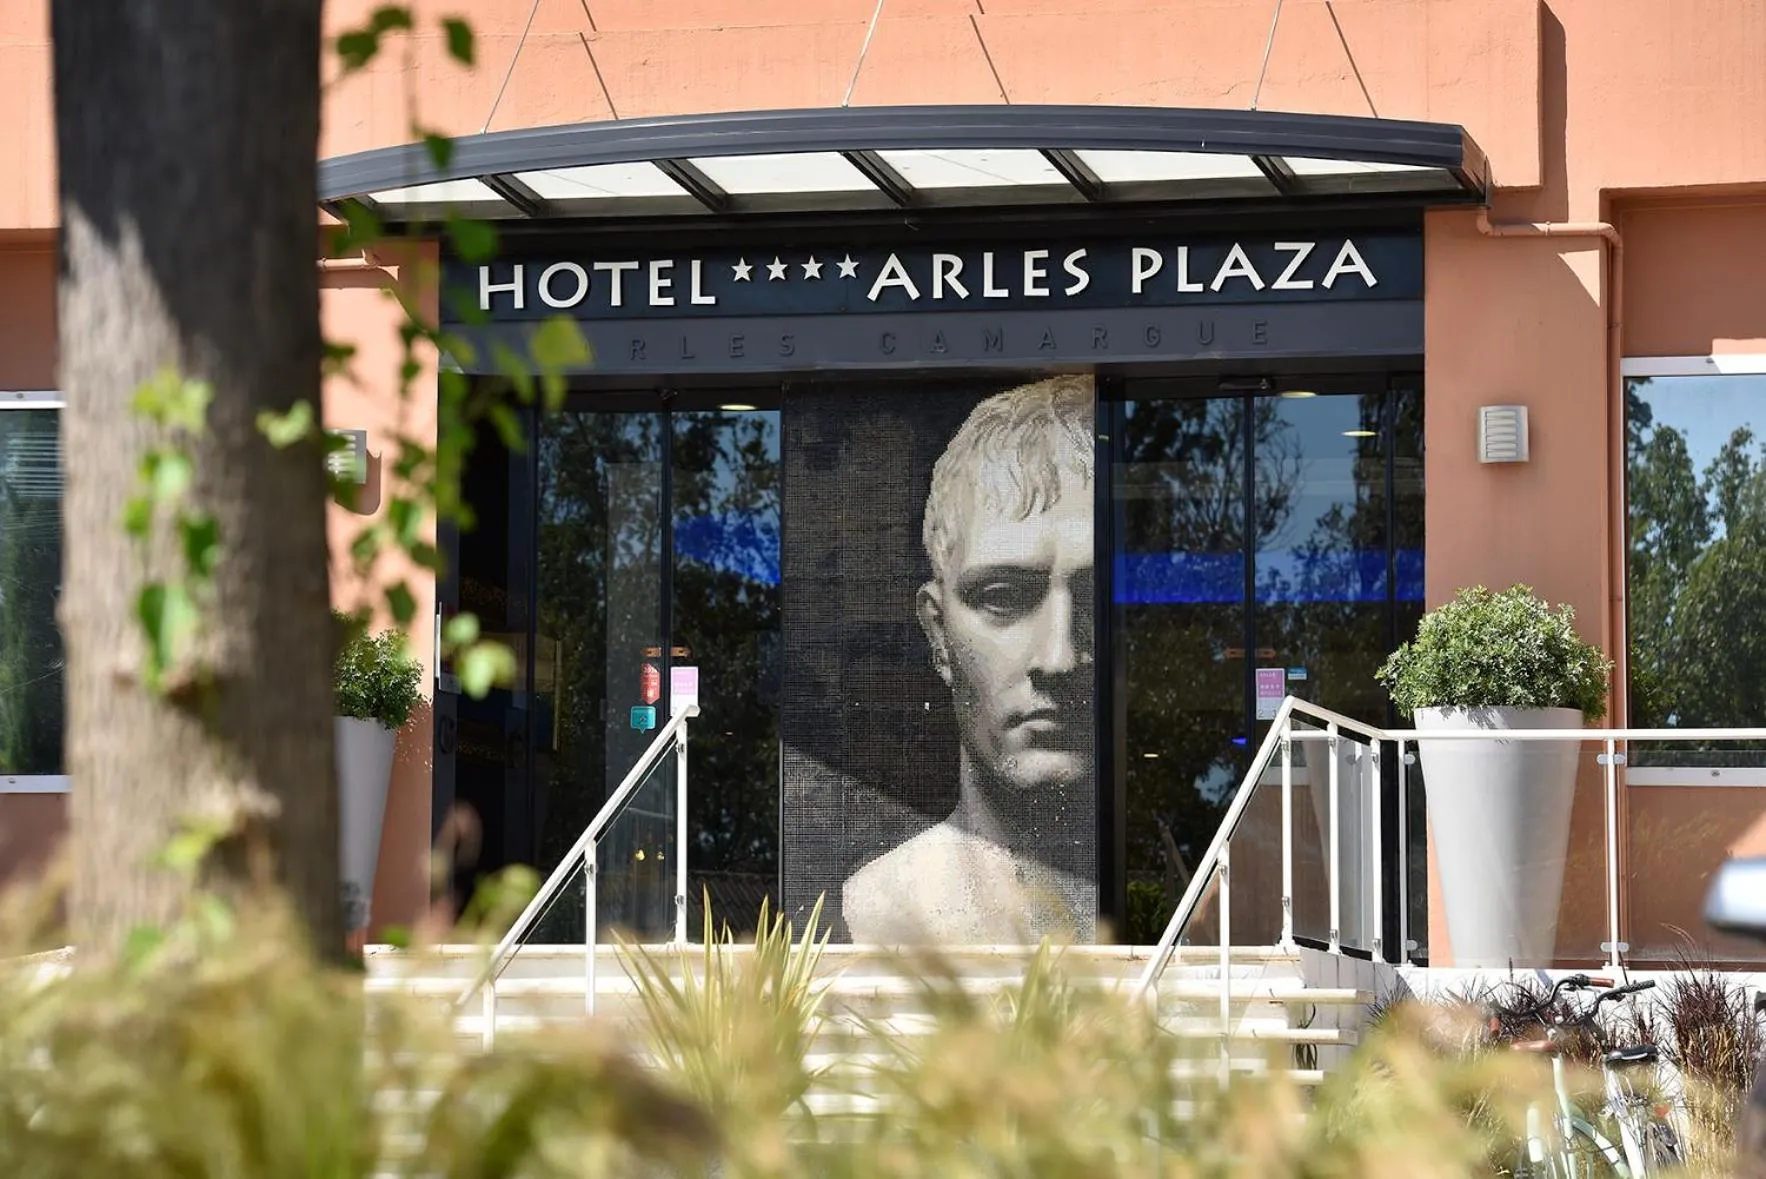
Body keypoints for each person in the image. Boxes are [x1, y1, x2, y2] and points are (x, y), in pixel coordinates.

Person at [842, 374, 1097, 944]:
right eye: (1004, 597)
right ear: (938, 632)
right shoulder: (885, 904)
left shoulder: (1193, 891)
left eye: (1095, 601)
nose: (1058, 657)